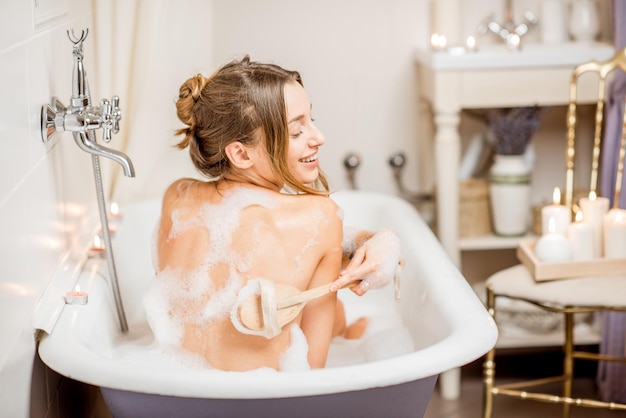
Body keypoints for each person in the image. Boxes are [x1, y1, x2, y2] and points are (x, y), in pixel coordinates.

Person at [144, 56, 342, 372]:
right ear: (240, 153)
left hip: (171, 388)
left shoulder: (177, 198)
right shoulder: (321, 217)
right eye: (296, 131)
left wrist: (359, 243)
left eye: (311, 120)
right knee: (346, 320)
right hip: (262, 403)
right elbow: (311, 370)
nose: (319, 137)